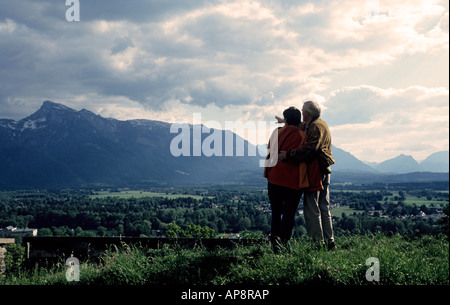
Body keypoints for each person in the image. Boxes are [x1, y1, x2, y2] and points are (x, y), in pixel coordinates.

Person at [278, 100, 336, 250]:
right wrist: (286, 121)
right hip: (325, 170)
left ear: (307, 113)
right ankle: (330, 241)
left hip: (316, 171)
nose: (301, 112)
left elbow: (310, 149)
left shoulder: (315, 127)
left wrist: (289, 154)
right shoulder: (319, 124)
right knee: (324, 206)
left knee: (312, 209)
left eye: (302, 110)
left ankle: (318, 243)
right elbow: (303, 126)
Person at [263, 107, 307, 252]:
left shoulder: (276, 132)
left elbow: (270, 151)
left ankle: (274, 243)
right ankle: (284, 243)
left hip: (274, 178)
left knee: (276, 212)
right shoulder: (302, 135)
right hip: (293, 182)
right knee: (289, 214)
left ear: (285, 119)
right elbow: (303, 155)